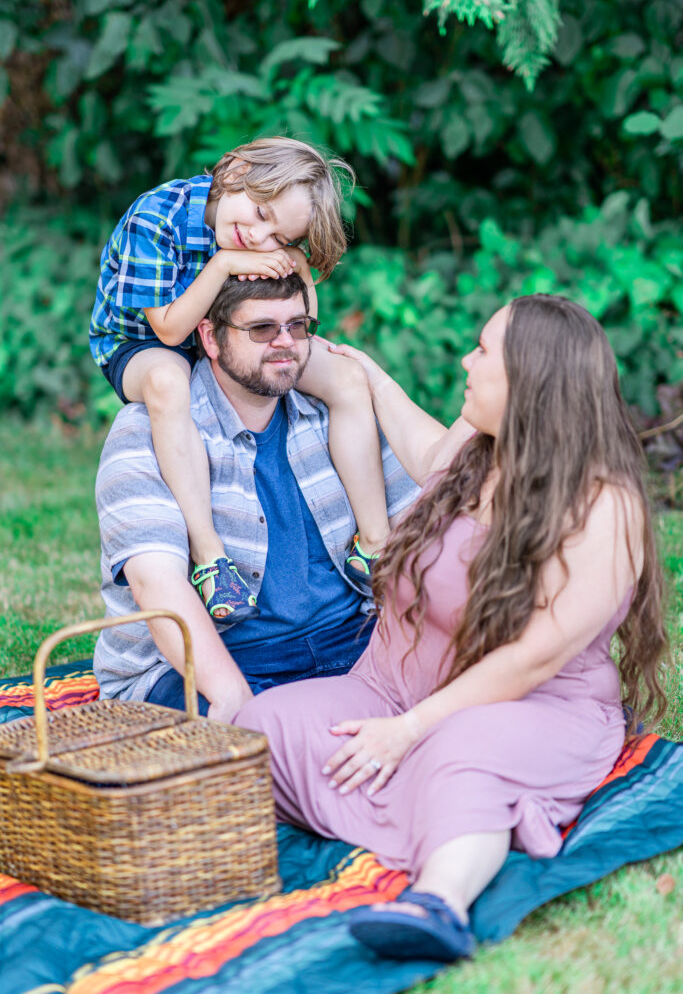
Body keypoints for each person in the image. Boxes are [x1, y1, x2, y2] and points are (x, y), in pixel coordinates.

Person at [235, 294, 668, 963]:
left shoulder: (601, 506)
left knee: (457, 752)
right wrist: (371, 380)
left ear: (529, 380)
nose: (466, 359)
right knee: (259, 728)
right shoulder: (476, 448)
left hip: (530, 707)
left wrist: (410, 732)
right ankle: (416, 806)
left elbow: (532, 660)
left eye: (483, 350)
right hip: (392, 689)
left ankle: (436, 900)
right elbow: (418, 448)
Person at [94, 271, 419, 724]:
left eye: (298, 326)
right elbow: (157, 585)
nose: (285, 342)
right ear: (210, 337)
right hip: (217, 662)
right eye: (262, 329)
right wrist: (234, 700)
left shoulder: (341, 414)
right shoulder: (145, 431)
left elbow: (420, 526)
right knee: (269, 748)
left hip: (350, 641)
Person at [90, 137, 391, 623]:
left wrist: (298, 269)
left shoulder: (259, 233)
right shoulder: (156, 217)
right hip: (139, 344)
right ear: (235, 172)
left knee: (346, 377)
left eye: (278, 236)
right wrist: (225, 263)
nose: (258, 236)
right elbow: (168, 328)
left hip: (226, 337)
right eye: (260, 213)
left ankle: (374, 544)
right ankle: (210, 557)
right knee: (170, 382)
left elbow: (306, 317)